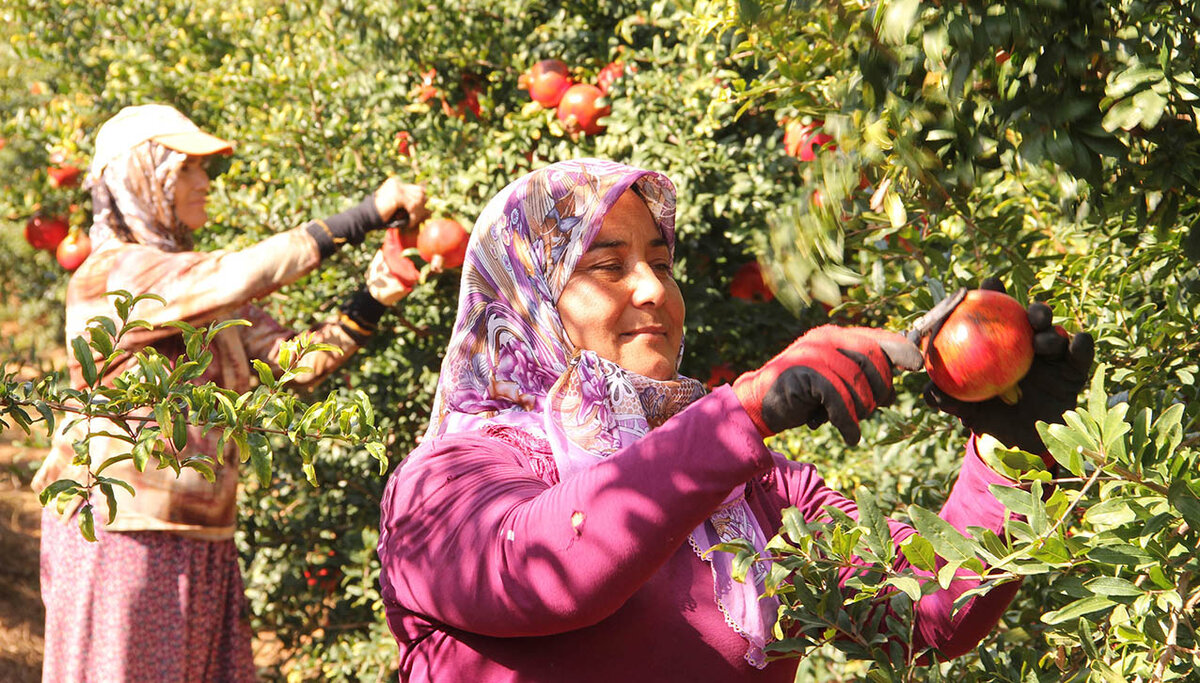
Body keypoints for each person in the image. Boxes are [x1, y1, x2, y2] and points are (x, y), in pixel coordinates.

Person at [375, 158, 1094, 682]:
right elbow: (542, 569)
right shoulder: (442, 482)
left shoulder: (756, 491)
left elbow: (928, 612)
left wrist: (1013, 446)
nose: (655, 289)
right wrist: (741, 413)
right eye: (608, 266)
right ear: (526, 301)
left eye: (661, 259)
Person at [32, 103, 428, 682]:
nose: (204, 185)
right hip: (120, 531)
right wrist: (365, 214)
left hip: (202, 532)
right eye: (187, 170)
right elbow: (242, 274)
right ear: (146, 180)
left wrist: (372, 300)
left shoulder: (196, 289)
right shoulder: (111, 275)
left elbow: (295, 364)